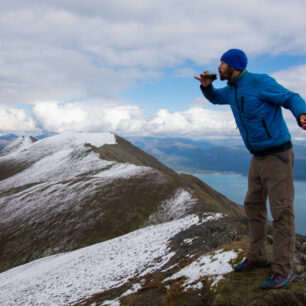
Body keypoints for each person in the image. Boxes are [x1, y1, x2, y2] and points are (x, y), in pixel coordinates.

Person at [195, 49, 306, 289]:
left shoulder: (259, 82)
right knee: (253, 206)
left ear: (232, 65)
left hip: (278, 156)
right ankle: (257, 255)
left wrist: (302, 114)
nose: (219, 67)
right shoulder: (233, 89)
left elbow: (291, 97)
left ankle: (282, 270)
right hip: (256, 158)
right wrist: (206, 87)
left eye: (222, 63)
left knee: (282, 213)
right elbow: (216, 98)